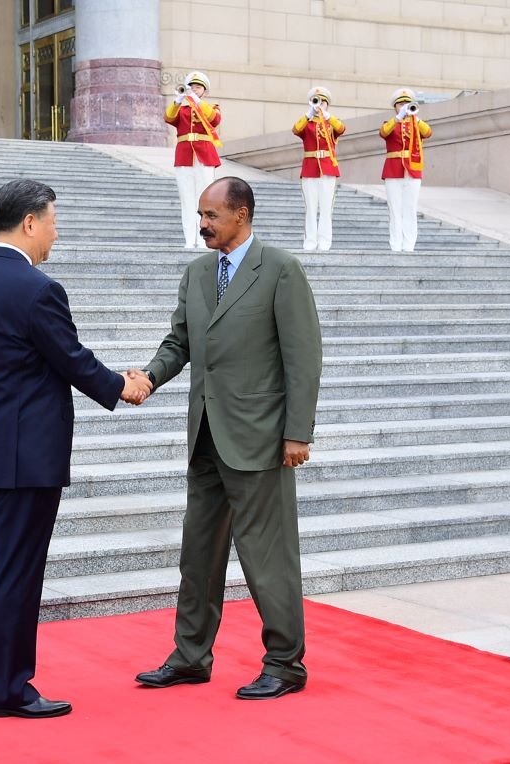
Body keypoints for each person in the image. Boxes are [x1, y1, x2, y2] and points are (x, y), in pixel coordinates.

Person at [0, 178, 151, 719]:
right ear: (29, 222)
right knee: (17, 572)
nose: (55, 234)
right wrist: (121, 386)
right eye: (52, 221)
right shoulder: (37, 290)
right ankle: (8, 689)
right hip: (25, 459)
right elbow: (71, 358)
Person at [129, 176, 323, 700]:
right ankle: (191, 657)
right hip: (206, 439)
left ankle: (285, 664)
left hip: (261, 440)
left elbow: (302, 358)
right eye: (201, 214)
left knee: (267, 557)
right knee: (198, 555)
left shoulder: (280, 270)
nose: (203, 224)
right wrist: (148, 375)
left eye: (212, 215)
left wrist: (297, 432)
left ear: (241, 214)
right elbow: (180, 342)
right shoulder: (196, 274)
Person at [166, 70, 222, 249]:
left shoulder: (211, 107)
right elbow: (168, 117)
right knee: (187, 198)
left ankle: (205, 240)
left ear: (204, 91)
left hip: (204, 155)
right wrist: (178, 100)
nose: (193, 90)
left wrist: (197, 101)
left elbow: (214, 119)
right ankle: (190, 240)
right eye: (191, 87)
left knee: (205, 199)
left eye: (198, 87)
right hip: (184, 156)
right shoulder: (180, 109)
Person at [293, 85, 345, 251]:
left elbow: (341, 129)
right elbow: (296, 129)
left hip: (328, 168)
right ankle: (310, 242)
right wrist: (308, 114)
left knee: (326, 208)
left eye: (323, 102)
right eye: (317, 101)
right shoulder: (307, 124)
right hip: (310, 168)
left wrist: (327, 116)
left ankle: (324, 243)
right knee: (311, 208)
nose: (319, 104)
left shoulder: (330, 123)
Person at [380, 87, 432, 252]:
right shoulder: (390, 123)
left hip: (412, 169)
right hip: (393, 169)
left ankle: (409, 246)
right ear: (395, 106)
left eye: (407, 103)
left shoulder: (416, 124)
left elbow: (428, 132)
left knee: (410, 209)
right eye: (400, 104)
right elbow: (383, 132)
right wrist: (399, 117)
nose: (403, 106)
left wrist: (415, 118)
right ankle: (396, 245)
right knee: (395, 210)